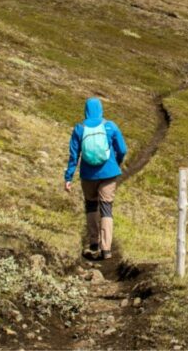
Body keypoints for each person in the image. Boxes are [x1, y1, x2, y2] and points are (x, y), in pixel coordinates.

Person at [65, 97, 128, 260]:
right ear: (100, 109)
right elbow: (122, 149)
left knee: (91, 205)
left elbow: (74, 155)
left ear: (85, 110)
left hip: (88, 175)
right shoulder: (110, 126)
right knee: (106, 208)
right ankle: (106, 248)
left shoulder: (79, 129)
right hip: (109, 174)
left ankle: (94, 242)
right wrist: (117, 162)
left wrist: (68, 177)